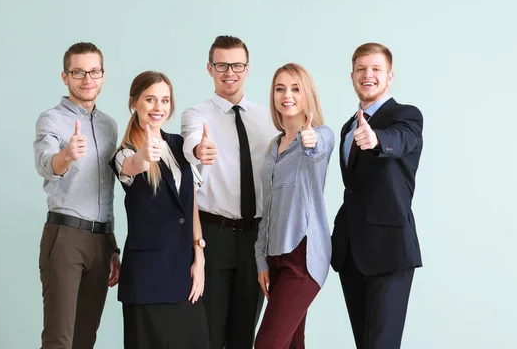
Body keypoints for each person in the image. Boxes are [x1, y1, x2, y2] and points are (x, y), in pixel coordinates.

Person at [181, 35, 276, 349]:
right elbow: (192, 143)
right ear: (210, 68)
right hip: (214, 234)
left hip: (256, 238)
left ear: (247, 69)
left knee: (244, 333)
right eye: (221, 65)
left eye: (236, 65)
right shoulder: (197, 114)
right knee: (209, 331)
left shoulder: (268, 117)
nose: (229, 72)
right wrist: (200, 149)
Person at [330, 43, 424, 349]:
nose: (367, 75)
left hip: (389, 250)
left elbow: (403, 139)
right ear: (353, 75)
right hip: (352, 254)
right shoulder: (347, 127)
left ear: (389, 76)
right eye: (360, 69)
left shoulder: (406, 116)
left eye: (375, 69)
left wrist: (377, 139)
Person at [110, 71, 209, 349]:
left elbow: (191, 206)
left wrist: (199, 255)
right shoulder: (125, 153)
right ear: (134, 104)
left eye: (164, 100)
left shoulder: (179, 146)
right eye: (150, 99)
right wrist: (143, 156)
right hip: (147, 280)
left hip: (185, 274)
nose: (158, 107)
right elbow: (132, 167)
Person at [33, 42, 120, 349]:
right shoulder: (52, 119)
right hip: (66, 235)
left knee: (85, 339)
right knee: (60, 339)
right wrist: (67, 156)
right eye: (78, 72)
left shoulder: (110, 125)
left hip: (102, 241)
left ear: (103, 75)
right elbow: (46, 163)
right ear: (65, 76)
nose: (87, 79)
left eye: (94, 71)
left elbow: (108, 189)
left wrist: (113, 247)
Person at [254, 63, 334, 349]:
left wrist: (310, 140)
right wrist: (261, 260)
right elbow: (268, 209)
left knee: (267, 344)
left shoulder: (320, 135)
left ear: (307, 95)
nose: (287, 95)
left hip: (303, 258)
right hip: (275, 257)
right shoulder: (273, 147)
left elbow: (319, 146)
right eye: (280, 88)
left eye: (295, 88)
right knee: (291, 344)